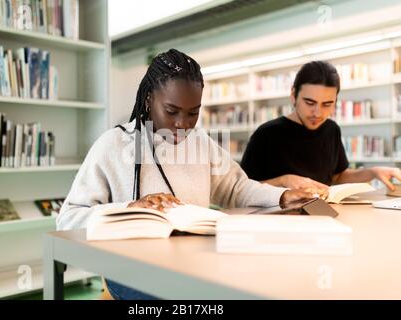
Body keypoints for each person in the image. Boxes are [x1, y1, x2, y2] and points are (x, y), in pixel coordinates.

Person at [57, 49, 313, 300]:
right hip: (132, 271)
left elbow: (236, 189)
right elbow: (68, 219)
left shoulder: (201, 143)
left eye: (193, 113)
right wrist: (131, 207)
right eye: (172, 111)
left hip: (194, 263)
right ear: (148, 99)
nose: (183, 124)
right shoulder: (113, 145)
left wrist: (281, 197)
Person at [240, 60, 401, 197]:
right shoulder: (267, 134)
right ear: (293, 95)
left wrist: (373, 172)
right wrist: (283, 181)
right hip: (278, 222)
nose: (318, 113)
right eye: (310, 103)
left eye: (327, 104)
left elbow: (338, 177)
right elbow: (241, 190)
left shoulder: (331, 130)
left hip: (326, 215)